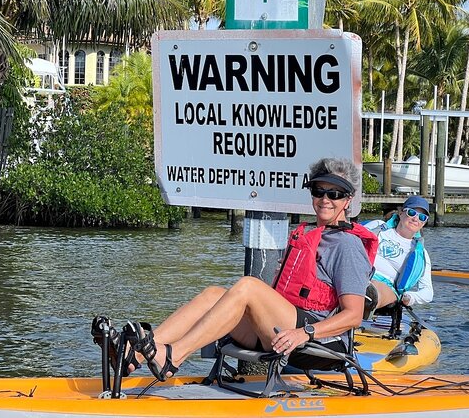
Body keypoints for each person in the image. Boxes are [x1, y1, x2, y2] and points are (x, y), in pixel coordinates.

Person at [100, 157, 378, 382]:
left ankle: (172, 357)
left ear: (348, 199)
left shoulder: (347, 246)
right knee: (213, 295)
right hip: (280, 330)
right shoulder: (307, 233)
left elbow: (353, 316)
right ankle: (133, 355)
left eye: (335, 193)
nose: (325, 199)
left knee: (248, 285)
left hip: (315, 342)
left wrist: (304, 333)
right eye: (319, 191)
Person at [363, 195, 433, 315]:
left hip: (385, 286)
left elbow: (428, 292)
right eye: (411, 213)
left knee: (373, 289)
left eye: (422, 217)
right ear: (401, 213)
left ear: (424, 223)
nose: (416, 219)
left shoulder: (422, 254)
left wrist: (410, 297)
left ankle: (365, 298)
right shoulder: (378, 226)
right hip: (359, 271)